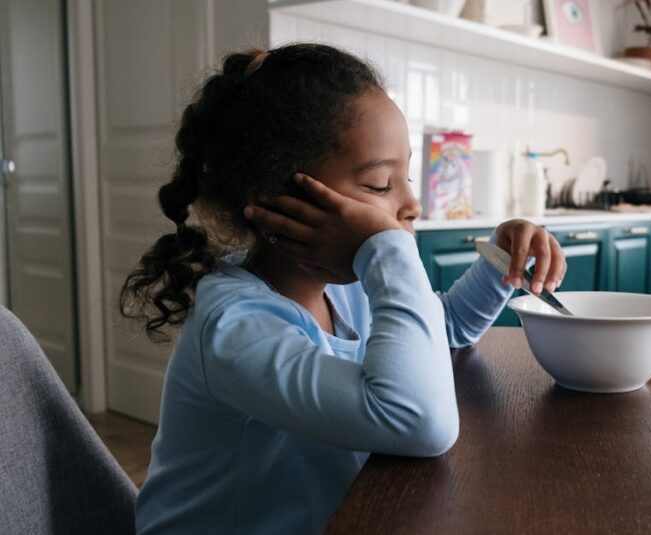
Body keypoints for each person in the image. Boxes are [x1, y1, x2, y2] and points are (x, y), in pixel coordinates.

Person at [120, 43, 567, 534]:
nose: (412, 204)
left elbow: (441, 331)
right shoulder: (235, 328)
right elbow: (419, 421)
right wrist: (384, 245)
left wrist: (500, 259)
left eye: (408, 177)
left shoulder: (345, 289)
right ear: (275, 199)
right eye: (380, 185)